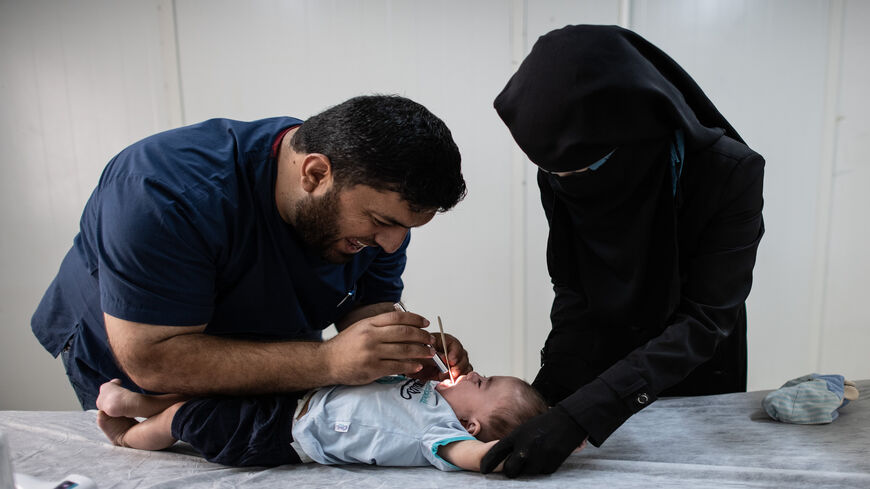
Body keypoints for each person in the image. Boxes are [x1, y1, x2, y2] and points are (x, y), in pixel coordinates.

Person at [31, 95, 471, 410]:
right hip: (138, 348)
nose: (393, 243)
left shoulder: (378, 211)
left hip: (279, 338)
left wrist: (400, 350)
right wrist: (328, 360)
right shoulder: (162, 192)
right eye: (382, 223)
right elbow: (154, 359)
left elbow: (366, 305)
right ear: (316, 174)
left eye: (407, 229)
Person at [481, 25, 765, 477]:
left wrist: (581, 415)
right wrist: (550, 394)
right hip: (597, 355)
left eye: (581, 169)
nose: (563, 182)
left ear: (633, 130)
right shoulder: (561, 170)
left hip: (690, 360)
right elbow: (573, 288)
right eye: (553, 172)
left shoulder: (728, 174)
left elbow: (705, 319)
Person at [94, 371, 549, 471]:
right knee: (214, 388)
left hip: (277, 434)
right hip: (297, 397)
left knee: (190, 418)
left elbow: (473, 455)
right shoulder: (433, 394)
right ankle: (138, 399)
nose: (472, 374)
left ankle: (131, 436)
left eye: (482, 383)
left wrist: (507, 453)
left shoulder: (442, 432)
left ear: (470, 425)